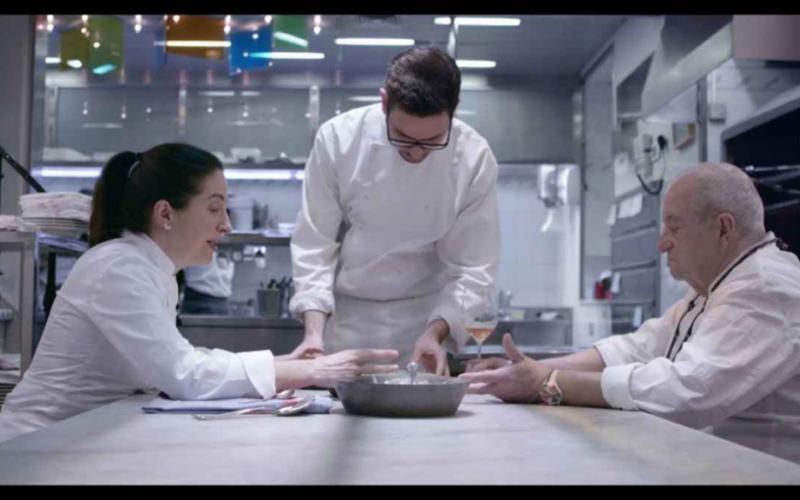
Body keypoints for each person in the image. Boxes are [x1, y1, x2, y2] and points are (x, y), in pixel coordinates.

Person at [0, 144, 398, 443]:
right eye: (214, 208)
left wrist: (282, 363)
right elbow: (185, 374)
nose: (226, 225)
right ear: (166, 214)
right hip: (34, 448)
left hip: (78, 440)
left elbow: (183, 359)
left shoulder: (153, 271)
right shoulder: (118, 268)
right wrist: (312, 372)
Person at [461, 163, 800, 463]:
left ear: (724, 229)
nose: (662, 244)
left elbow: (686, 391)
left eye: (675, 228)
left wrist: (546, 383)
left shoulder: (766, 287)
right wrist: (526, 370)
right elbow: (638, 348)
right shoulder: (713, 287)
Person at [288, 46, 501, 374]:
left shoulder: (474, 158)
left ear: (454, 110)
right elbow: (314, 245)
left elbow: (472, 269)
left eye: (432, 140)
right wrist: (314, 333)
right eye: (402, 136)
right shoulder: (338, 140)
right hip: (346, 330)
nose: (416, 152)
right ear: (384, 102)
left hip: (425, 329)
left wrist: (436, 333)